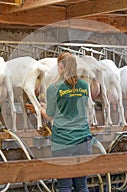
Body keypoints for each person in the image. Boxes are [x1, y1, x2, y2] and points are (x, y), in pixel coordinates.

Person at [27, 52, 92, 192]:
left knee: (65, 185)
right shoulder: (84, 86)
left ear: (61, 67)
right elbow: (75, 106)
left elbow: (50, 116)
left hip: (63, 141)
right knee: (82, 185)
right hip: (84, 140)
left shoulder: (54, 88)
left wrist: (39, 109)